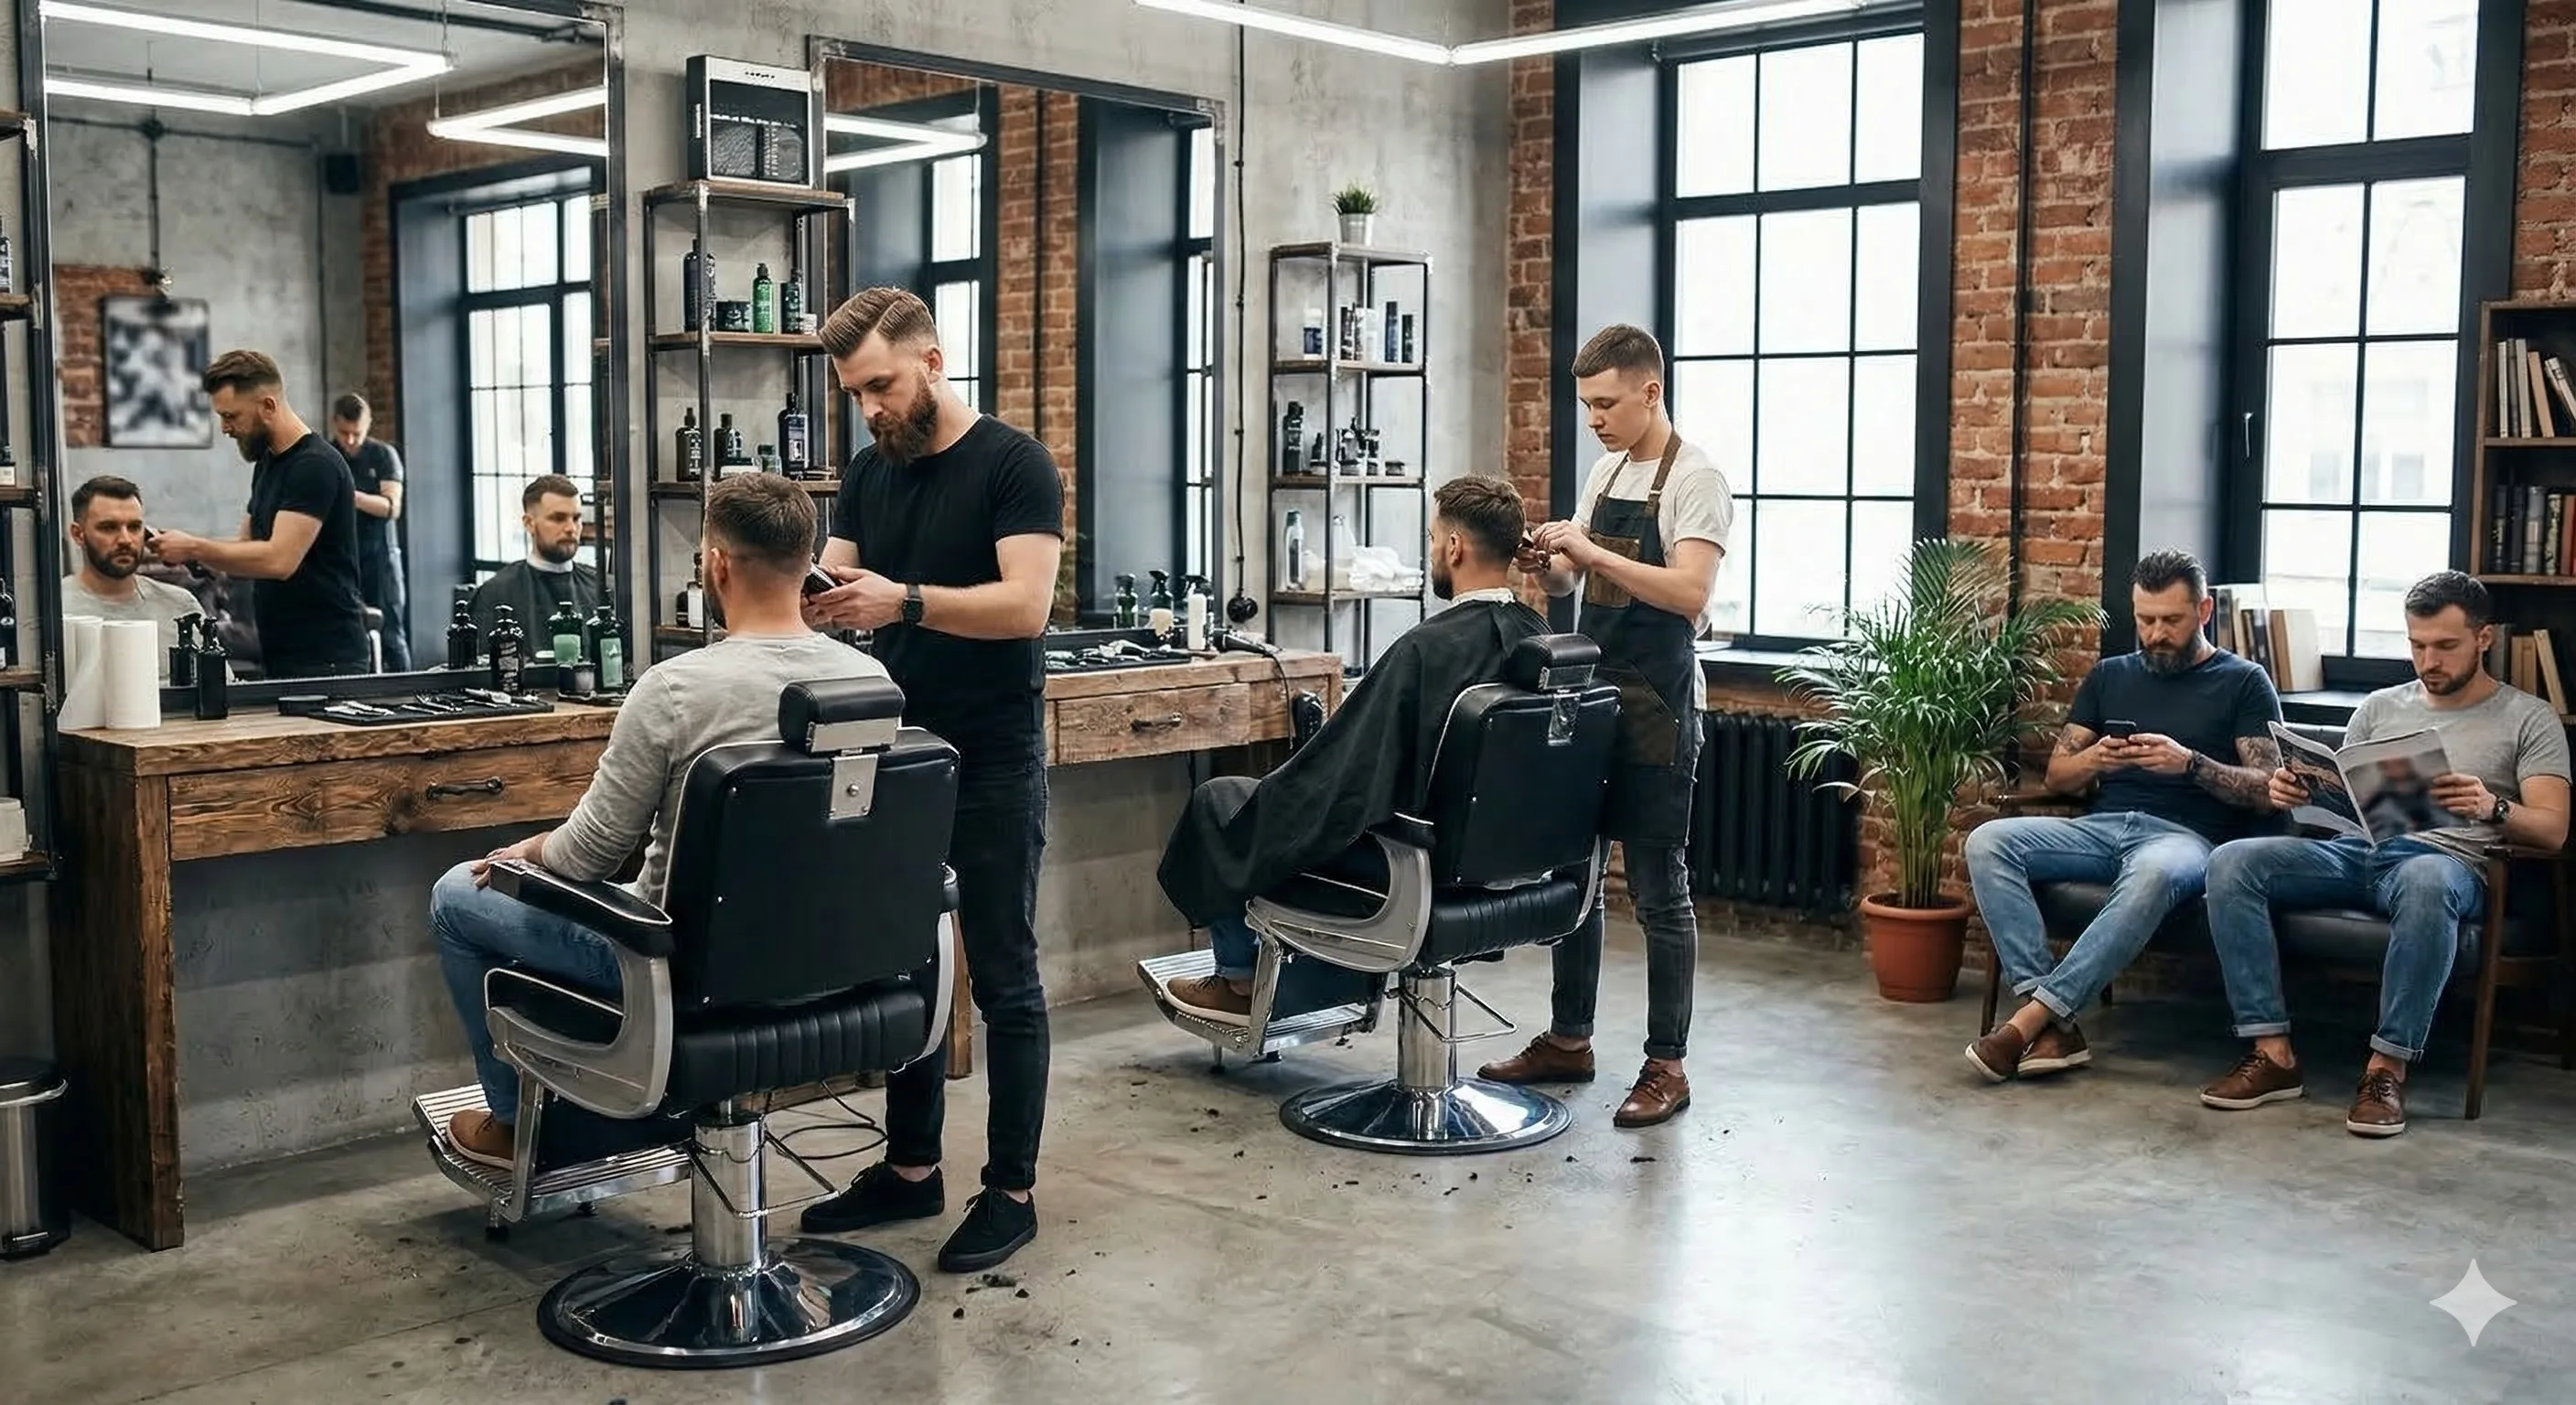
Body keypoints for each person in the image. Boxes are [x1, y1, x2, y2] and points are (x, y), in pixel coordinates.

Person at [430, 475, 885, 1169]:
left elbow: (588, 855)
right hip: (833, 964)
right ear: (810, 561)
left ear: (716, 564)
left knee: (459, 893)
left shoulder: (675, 690)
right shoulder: (870, 683)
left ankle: (518, 1122)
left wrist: (526, 851)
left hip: (680, 969)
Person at [797, 286, 1061, 1273]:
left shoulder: (1012, 464)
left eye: (880, 385)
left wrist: (899, 601)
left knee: (1002, 974)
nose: (868, 408)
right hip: (893, 754)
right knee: (902, 964)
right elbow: (834, 580)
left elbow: (1024, 607)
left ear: (933, 360)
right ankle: (911, 1170)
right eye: (854, 394)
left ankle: (1011, 1188)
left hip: (990, 754)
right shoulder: (870, 474)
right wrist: (805, 596)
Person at [1156, 475, 1551, 1022]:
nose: (1432, 548)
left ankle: (1239, 982)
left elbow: (1345, 777)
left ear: (1455, 548)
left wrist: (1284, 788)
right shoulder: (1542, 640)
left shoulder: (1424, 650)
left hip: (1417, 867)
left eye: (1434, 536)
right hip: (1509, 863)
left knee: (1223, 802)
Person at [2197, 571, 2571, 1138]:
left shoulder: (2528, 717)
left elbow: (2554, 829)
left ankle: (2386, 1069)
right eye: (2418, 646)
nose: (2429, 661)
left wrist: (2492, 807)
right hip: (2357, 852)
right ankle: (2271, 1053)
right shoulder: (2379, 706)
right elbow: (2344, 793)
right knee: (2232, 861)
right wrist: (2294, 790)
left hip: (2446, 862)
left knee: (2426, 881)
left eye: (2446, 646)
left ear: (2484, 638)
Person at [1476, 324, 1731, 1130]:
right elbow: (1572, 582)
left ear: (1651, 391)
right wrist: (1548, 564)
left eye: (1607, 404)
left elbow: (1690, 593)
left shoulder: (1697, 478)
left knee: (1660, 893)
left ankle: (1667, 1064)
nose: (1595, 419)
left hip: (1660, 710)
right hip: (1594, 700)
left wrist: (1591, 548)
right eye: (1587, 405)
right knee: (1575, 882)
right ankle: (1570, 1038)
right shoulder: (1606, 468)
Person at [1962, 550, 2284, 1081]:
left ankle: (2031, 1020)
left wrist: (2191, 764)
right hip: (2101, 828)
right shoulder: (2110, 676)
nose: (2156, 634)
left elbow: (2271, 789)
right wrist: (2094, 759)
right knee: (1988, 841)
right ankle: (2054, 1026)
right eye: (2145, 620)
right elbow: (2057, 777)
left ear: (2204, 612)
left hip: (2185, 839)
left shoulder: (2244, 682)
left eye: (2171, 621)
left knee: (2153, 872)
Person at [146, 349, 369, 678]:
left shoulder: (315, 466)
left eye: (231, 416)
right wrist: (187, 553)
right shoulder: (268, 462)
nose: (224, 428)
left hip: (328, 658)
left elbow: (279, 560)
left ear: (268, 406)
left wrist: (194, 546)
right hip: (282, 651)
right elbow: (247, 546)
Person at [59, 475, 206, 681]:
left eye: (134, 527)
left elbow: (222, 690)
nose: (125, 540)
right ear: (78, 534)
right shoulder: (56, 609)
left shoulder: (180, 605)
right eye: (109, 528)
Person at [465, 474, 603, 644]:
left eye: (576, 518)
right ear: (529, 523)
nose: (571, 528)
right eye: (558, 518)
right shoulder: (495, 594)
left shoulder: (603, 588)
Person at [329, 392, 410, 670]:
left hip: (381, 558)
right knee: (348, 635)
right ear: (334, 424)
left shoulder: (383, 454)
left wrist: (351, 496)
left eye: (357, 433)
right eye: (344, 433)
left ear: (368, 425)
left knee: (392, 635)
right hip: (342, 558)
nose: (350, 440)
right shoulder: (327, 455)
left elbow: (391, 507)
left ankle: (405, 691)